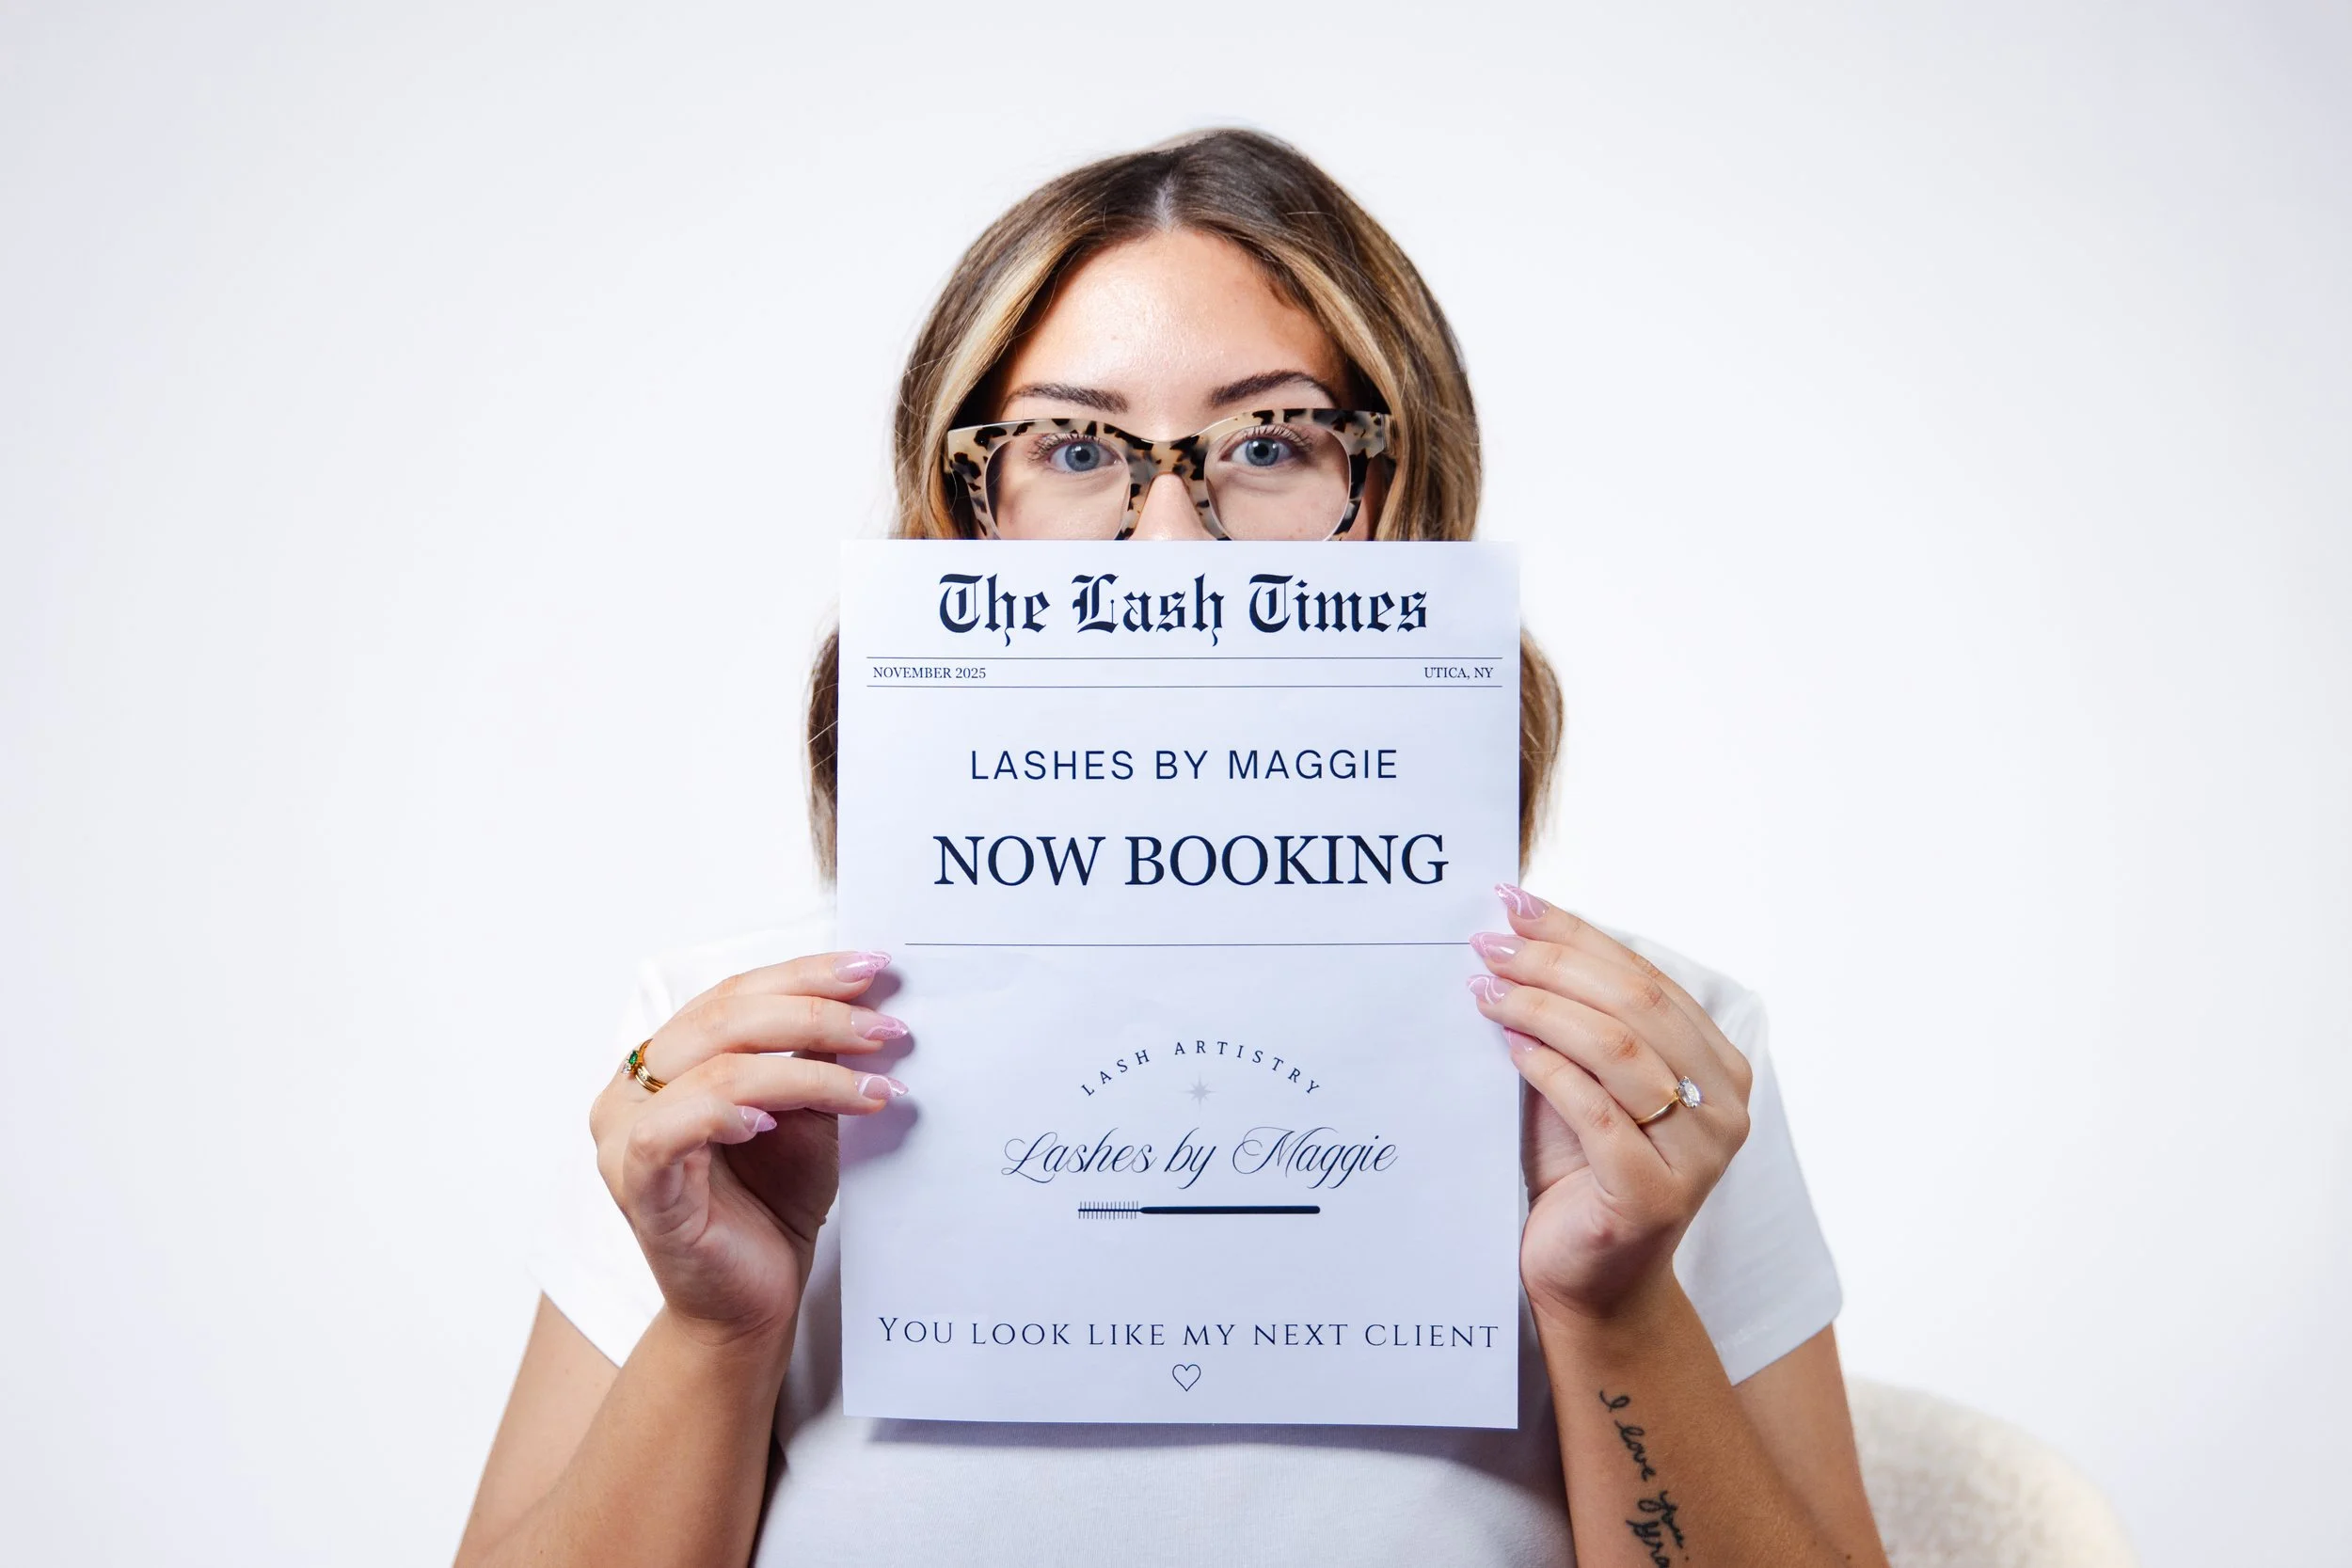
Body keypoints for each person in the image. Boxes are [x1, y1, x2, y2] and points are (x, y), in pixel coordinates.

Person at [456, 129, 1889, 1568]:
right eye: (1073, 448)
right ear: (966, 515)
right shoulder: (732, 1061)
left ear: (1402, 501)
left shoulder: (1638, 1068)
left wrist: (1618, 1305)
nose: (1167, 549)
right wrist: (721, 1324)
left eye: (1272, 444)